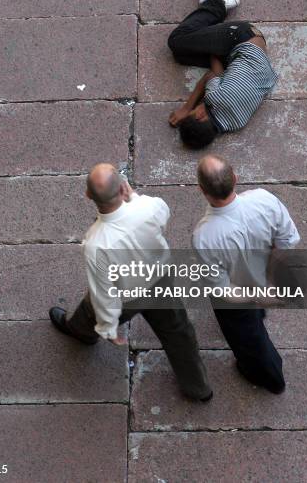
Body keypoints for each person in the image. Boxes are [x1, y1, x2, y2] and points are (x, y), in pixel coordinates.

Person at [49, 163, 212, 401]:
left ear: (88, 196)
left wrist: (109, 327)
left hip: (127, 297)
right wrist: (134, 197)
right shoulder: (147, 206)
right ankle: (199, 388)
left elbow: (102, 293)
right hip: (160, 281)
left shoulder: (96, 243)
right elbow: (163, 213)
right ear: (123, 188)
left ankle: (83, 333)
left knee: (90, 310)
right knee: (178, 332)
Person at [193, 154, 300, 394]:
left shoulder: (204, 236)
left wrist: (258, 297)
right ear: (235, 178)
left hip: (239, 297)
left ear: (201, 189)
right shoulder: (264, 199)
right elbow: (286, 241)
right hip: (262, 277)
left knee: (249, 340)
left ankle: (271, 378)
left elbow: (221, 290)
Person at [167, 0, 278, 149]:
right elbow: (212, 71)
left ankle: (211, 7)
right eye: (195, 111)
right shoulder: (215, 98)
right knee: (176, 41)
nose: (197, 108)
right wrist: (187, 107)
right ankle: (222, 1)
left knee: (181, 55)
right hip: (244, 36)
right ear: (200, 116)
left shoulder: (235, 124)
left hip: (257, 60)